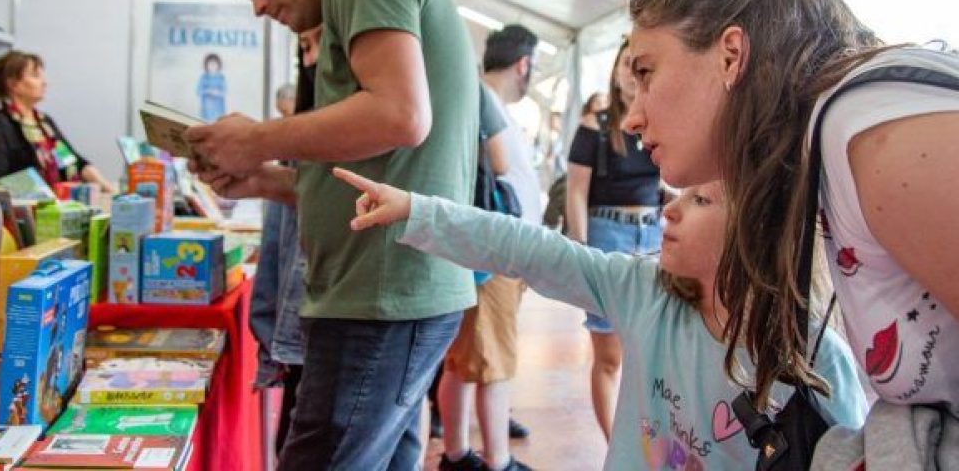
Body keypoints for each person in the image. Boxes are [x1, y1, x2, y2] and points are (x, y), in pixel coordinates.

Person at [622, 0, 958, 464]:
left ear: (731, 55)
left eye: (646, 72)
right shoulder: (831, 150)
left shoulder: (875, 135)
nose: (632, 117)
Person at [185, 0, 479, 470]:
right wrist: (267, 182)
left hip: (380, 295)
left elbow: (400, 116)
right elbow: (375, 172)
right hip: (387, 290)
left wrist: (259, 139)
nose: (259, 6)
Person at [331, 168, 869, 469]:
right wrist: (419, 212)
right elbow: (531, 250)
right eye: (678, 196)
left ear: (761, 230)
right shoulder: (643, 290)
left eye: (701, 200)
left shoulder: (814, 358)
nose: (670, 210)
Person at [437, 24, 541, 471]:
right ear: (524, 64)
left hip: (480, 249)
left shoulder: (475, 97)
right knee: (494, 363)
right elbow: (500, 167)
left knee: (463, 361)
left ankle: (457, 453)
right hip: (494, 251)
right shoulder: (485, 101)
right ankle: (497, 462)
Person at [566, 39, 663, 440]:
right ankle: (615, 449)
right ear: (616, 69)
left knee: (651, 352)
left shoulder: (658, 120)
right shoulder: (596, 126)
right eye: (626, 64)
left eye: (639, 66)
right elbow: (575, 192)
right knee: (609, 356)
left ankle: (647, 446)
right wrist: (580, 253)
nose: (630, 72)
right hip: (607, 233)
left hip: (656, 235)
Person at [250, 24, 321, 456]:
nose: (310, 59)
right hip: (303, 330)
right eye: (305, 48)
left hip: (327, 326)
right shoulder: (302, 137)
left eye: (316, 45)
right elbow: (281, 244)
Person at [0, 50, 116, 192]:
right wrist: (44, 192)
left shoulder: (44, 123)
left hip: (59, 205)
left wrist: (109, 189)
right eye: (35, 76)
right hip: (26, 210)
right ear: (13, 84)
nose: (44, 82)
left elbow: (73, 162)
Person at [196, 53, 227, 122]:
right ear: (206, 65)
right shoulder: (203, 77)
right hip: (206, 111)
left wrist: (217, 93)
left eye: (214, 64)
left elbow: (224, 92)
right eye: (210, 64)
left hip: (219, 111)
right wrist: (208, 91)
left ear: (218, 65)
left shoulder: (221, 77)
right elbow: (198, 92)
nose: (212, 66)